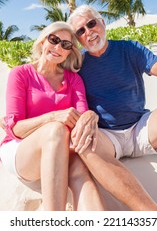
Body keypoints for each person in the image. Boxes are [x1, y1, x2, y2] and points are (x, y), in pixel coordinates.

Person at [67, 4, 157, 210]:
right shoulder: (77, 65)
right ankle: (153, 215)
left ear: (102, 23)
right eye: (81, 31)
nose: (89, 32)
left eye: (91, 24)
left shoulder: (130, 49)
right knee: (83, 144)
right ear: (77, 38)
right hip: (107, 137)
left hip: (142, 128)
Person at [0, 21, 104, 211]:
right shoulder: (20, 74)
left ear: (69, 52)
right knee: (56, 129)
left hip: (61, 149)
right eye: (54, 40)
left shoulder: (74, 80)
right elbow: (15, 129)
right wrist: (53, 116)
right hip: (21, 150)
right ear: (42, 42)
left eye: (65, 45)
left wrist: (91, 116)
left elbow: (81, 119)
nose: (58, 47)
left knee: (81, 173)